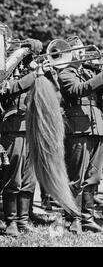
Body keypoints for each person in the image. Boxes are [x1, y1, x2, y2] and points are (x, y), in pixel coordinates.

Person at [0, 50, 54, 237]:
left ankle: (23, 220)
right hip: (14, 129)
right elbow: (9, 89)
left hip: (34, 129)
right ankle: (11, 222)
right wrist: (34, 74)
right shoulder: (7, 71)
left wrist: (46, 73)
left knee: (29, 179)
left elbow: (54, 92)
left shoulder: (38, 73)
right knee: (13, 178)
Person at [58, 36, 103, 233]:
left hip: (97, 127)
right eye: (78, 49)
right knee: (76, 177)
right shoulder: (65, 73)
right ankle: (72, 218)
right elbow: (79, 90)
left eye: (83, 49)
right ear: (68, 52)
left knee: (93, 177)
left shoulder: (88, 71)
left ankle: (87, 217)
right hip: (78, 130)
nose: (82, 52)